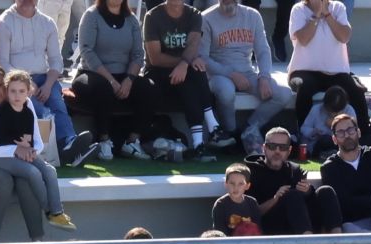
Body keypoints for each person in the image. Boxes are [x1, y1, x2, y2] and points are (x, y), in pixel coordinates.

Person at [0, 0, 95, 165]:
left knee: (57, 102)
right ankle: (66, 148)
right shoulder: (2, 24)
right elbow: (2, 62)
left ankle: (70, 141)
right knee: (41, 109)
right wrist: (24, 83)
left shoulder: (47, 23)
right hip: (15, 81)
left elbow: (56, 60)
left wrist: (48, 84)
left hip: (44, 78)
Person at [0, 68, 72, 228]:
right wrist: (18, 147)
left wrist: (30, 149)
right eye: (13, 91)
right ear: (8, 91)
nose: (17, 95)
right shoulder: (3, 111)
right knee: (33, 173)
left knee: (50, 171)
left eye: (21, 91)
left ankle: (58, 211)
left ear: (28, 92)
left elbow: (32, 137)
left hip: (25, 153)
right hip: (5, 155)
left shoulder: (28, 110)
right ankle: (48, 210)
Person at [0, 64, 54, 238]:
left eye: (0, 85)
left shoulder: (22, 99)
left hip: (17, 159)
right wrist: (15, 150)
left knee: (26, 181)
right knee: (4, 180)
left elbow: (37, 141)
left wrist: (30, 152)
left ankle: (37, 240)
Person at [202, 0, 292, 153]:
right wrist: (231, 74)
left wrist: (264, 76)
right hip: (218, 73)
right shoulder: (206, 18)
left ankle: (249, 128)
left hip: (247, 71)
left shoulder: (253, 15)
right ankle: (230, 132)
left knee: (284, 94)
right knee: (225, 90)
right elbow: (202, 58)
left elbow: (263, 50)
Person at [72, 0, 158, 160]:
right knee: (103, 88)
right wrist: (111, 80)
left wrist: (129, 79)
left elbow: (138, 55)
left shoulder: (132, 20)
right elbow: (87, 51)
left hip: (124, 75)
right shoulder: (91, 16)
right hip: (92, 73)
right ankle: (103, 140)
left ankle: (132, 141)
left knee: (149, 87)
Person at [143, 0, 221, 157]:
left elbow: (193, 45)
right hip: (157, 73)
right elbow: (155, 58)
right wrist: (186, 62)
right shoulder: (152, 16)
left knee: (194, 74)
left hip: (184, 71)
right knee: (194, 68)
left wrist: (185, 64)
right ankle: (212, 127)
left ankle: (199, 143)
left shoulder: (194, 15)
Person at [286, 0, 368, 145]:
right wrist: (316, 15)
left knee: (356, 91)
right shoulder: (298, 10)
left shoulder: (338, 8)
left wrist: (328, 15)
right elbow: (304, 40)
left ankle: (364, 138)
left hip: (335, 72)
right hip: (304, 70)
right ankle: (304, 140)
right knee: (305, 89)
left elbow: (344, 37)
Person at [245, 125, 339, 244]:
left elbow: (308, 204)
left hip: (298, 225)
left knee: (326, 191)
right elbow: (251, 214)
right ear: (264, 148)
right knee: (292, 195)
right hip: (271, 229)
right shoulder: (251, 172)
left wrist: (307, 191)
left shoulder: (294, 170)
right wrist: (275, 199)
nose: (277, 151)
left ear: (289, 151)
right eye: (272, 146)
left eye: (283, 147)